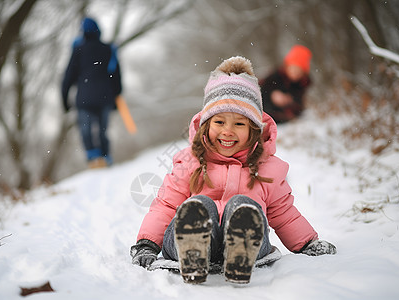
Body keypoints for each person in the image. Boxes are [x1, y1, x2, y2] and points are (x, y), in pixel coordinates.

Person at [130, 56, 336, 284]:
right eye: (219, 122)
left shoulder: (267, 169)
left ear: (254, 130)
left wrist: (307, 242)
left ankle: (240, 248)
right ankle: (193, 248)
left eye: (239, 124)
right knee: (200, 207)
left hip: (250, 244)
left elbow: (283, 213)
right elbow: (166, 206)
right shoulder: (190, 162)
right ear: (206, 126)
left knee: (244, 207)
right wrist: (147, 244)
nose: (228, 131)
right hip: (184, 243)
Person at [62, 17, 122, 168]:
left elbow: (68, 76)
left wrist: (65, 100)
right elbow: (115, 75)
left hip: (84, 98)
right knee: (103, 130)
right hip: (105, 97)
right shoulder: (109, 49)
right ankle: (106, 157)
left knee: (86, 129)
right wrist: (117, 96)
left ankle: (93, 156)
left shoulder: (78, 50)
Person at [259, 44, 312, 123]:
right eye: (293, 69)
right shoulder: (275, 76)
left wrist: (289, 101)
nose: (295, 73)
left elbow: (299, 106)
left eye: (298, 71)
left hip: (281, 116)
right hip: (264, 109)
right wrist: (272, 95)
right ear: (287, 67)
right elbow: (259, 89)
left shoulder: (301, 84)